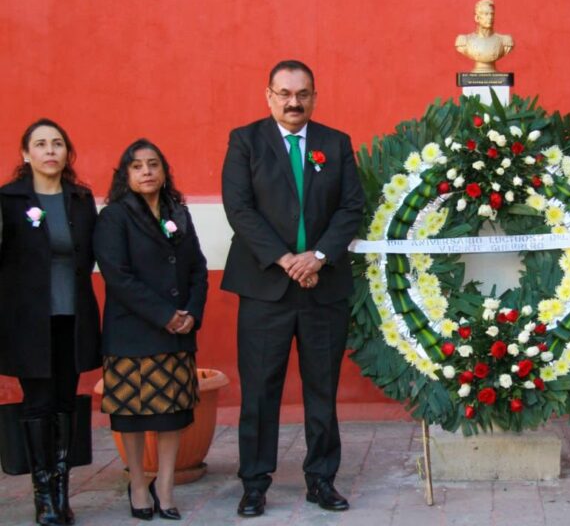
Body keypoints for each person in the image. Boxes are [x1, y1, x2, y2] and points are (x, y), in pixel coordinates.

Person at [221, 60, 364, 516]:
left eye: (302, 93)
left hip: (323, 288)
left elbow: (350, 208)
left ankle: (321, 479)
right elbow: (240, 209)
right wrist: (286, 260)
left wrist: (317, 257)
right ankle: (255, 482)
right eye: (284, 93)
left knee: (321, 389)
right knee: (260, 390)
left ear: (315, 97)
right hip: (266, 289)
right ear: (268, 96)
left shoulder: (335, 144)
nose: (293, 102)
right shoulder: (246, 141)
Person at [94, 139, 208, 521]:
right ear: (125, 175)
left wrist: (191, 312)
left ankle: (166, 486)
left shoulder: (179, 212)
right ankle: (140, 485)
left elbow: (197, 268)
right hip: (132, 332)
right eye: (138, 166)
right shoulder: (114, 217)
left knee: (171, 415)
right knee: (133, 417)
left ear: (164, 171)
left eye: (153, 164)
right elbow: (118, 277)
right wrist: (165, 315)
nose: (147, 171)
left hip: (177, 332)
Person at [0, 119, 101, 525]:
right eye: (40, 144)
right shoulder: (8, 199)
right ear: (26, 154)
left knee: (65, 401)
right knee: (38, 402)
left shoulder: (80, 198)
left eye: (57, 143)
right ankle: (43, 496)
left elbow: (89, 255)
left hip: (71, 316)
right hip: (28, 322)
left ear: (66, 152)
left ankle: (62, 490)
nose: (50, 150)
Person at [454, 0, 514, 73]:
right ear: (477, 18)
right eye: (486, 14)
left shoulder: (504, 41)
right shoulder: (464, 41)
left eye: (492, 14)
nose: (490, 17)